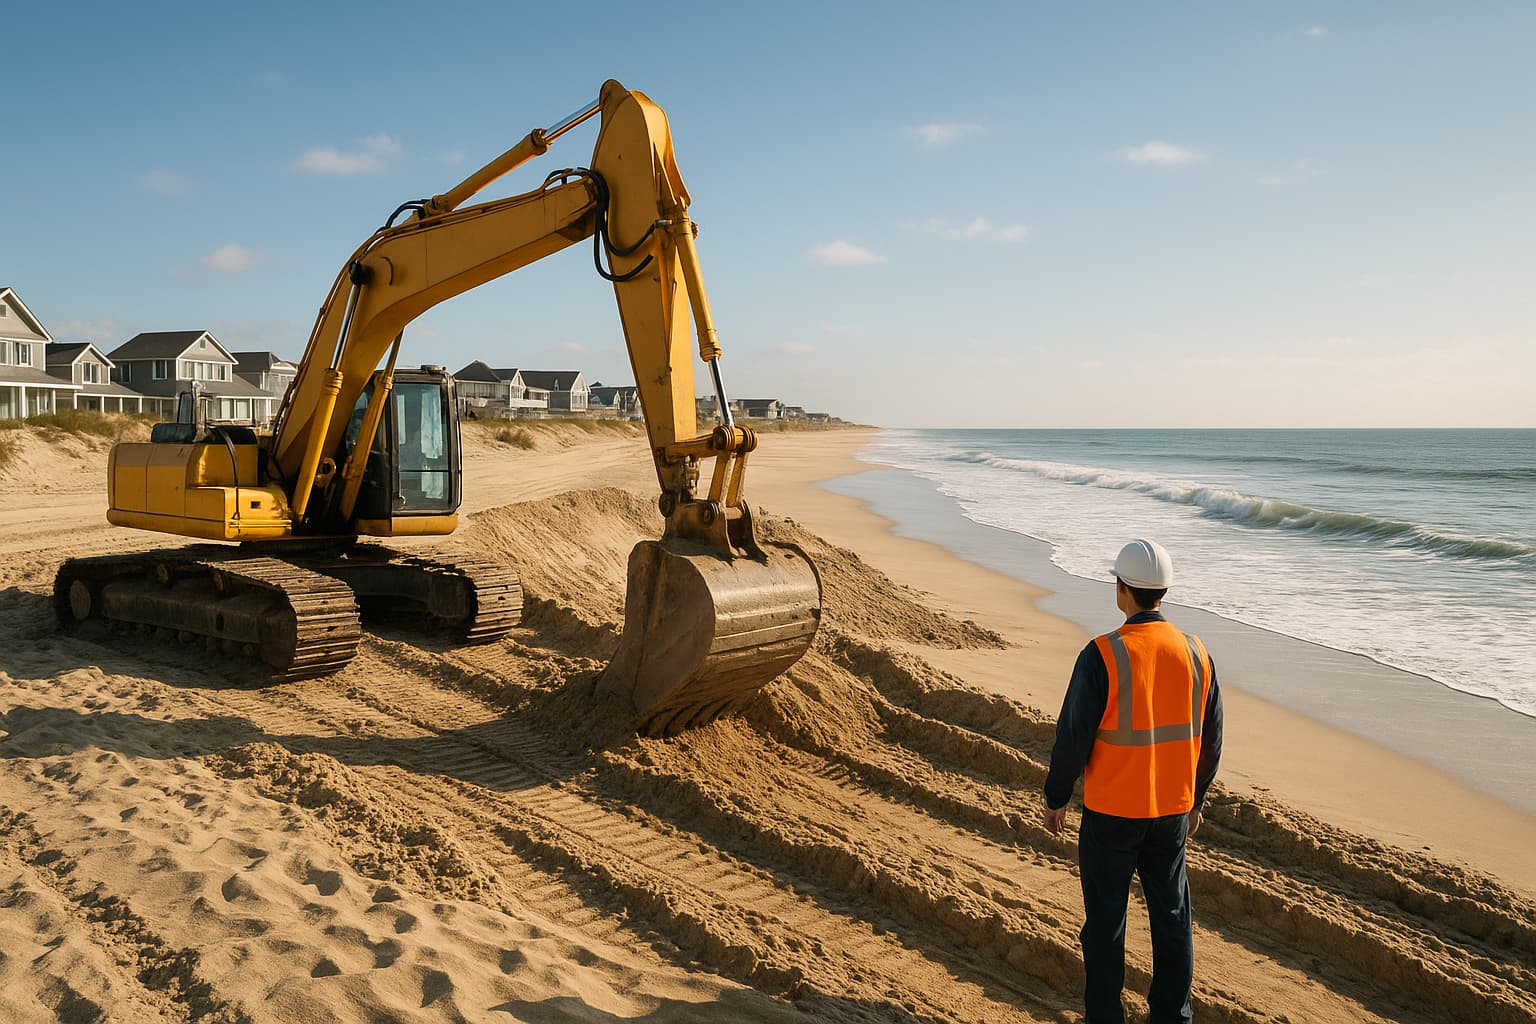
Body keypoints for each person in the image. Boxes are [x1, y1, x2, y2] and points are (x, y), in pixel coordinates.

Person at [1042, 539, 1223, 1024]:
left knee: (1105, 926)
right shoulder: (1197, 653)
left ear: (1121, 590)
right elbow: (1211, 739)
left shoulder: (1102, 654)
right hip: (1170, 816)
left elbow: (1073, 735)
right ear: (1163, 591)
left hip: (1112, 815)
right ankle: (1173, 1017)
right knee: (1172, 923)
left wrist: (1056, 796)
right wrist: (1196, 801)